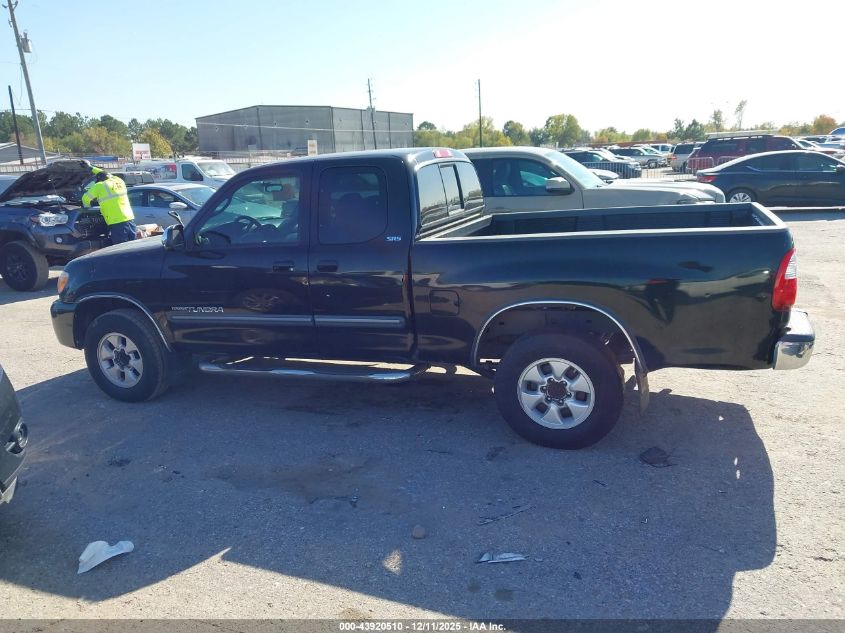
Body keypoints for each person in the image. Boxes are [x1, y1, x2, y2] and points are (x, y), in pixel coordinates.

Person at [81, 166, 137, 244]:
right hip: (129, 218)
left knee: (121, 247)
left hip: (116, 221)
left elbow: (85, 199)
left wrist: (87, 209)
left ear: (99, 180)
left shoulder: (99, 185)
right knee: (133, 245)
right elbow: (108, 174)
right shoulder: (119, 181)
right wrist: (91, 168)